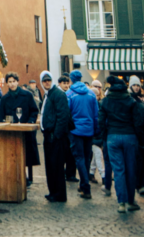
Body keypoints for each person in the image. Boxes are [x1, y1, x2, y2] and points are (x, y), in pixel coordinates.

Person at [98, 75, 144, 213]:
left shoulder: (106, 101)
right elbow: (138, 122)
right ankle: (131, 201)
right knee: (131, 170)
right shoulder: (130, 101)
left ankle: (121, 203)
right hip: (130, 136)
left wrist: (104, 137)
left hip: (112, 136)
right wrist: (140, 139)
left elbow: (101, 121)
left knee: (118, 171)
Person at [0, 72, 40, 184]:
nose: (12, 84)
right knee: (13, 155)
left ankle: (24, 177)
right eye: (9, 82)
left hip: (24, 129)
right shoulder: (4, 98)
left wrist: (30, 121)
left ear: (17, 81)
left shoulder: (27, 95)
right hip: (11, 131)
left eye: (13, 81)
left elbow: (34, 110)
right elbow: (1, 116)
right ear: (7, 83)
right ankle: (18, 178)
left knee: (25, 154)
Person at [39, 70, 71, 203]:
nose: (47, 82)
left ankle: (59, 194)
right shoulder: (48, 94)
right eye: (44, 81)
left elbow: (63, 116)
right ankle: (53, 192)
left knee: (57, 167)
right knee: (51, 166)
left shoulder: (58, 94)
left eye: (49, 80)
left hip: (55, 137)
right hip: (49, 135)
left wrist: (56, 135)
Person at [66, 69, 98, 199]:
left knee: (79, 158)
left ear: (71, 79)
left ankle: (85, 186)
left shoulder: (69, 94)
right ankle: (83, 183)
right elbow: (96, 114)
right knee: (86, 157)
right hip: (89, 130)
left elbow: (67, 114)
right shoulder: (91, 94)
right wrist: (96, 129)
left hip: (76, 130)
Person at [127, 75, 144, 195]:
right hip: (134, 134)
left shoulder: (142, 99)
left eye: (138, 85)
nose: (136, 87)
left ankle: (141, 184)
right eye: (134, 85)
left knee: (142, 161)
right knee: (136, 160)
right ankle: (137, 184)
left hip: (141, 133)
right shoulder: (130, 99)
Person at [57, 74, 77, 182]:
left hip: (68, 126)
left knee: (69, 151)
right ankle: (67, 173)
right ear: (60, 83)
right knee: (65, 151)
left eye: (67, 83)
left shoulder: (69, 94)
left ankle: (70, 173)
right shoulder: (60, 94)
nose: (66, 85)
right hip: (63, 127)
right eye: (64, 83)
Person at [90, 79, 106, 187]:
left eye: (99, 87)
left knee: (96, 156)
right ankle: (103, 176)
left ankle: (91, 173)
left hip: (100, 133)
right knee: (98, 154)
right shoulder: (91, 103)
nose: (98, 89)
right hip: (94, 133)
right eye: (95, 86)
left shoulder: (102, 102)